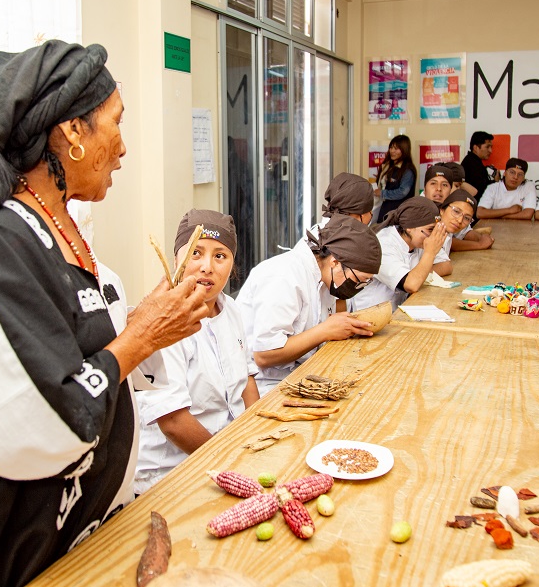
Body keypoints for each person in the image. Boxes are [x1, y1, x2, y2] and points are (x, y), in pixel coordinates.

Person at [0, 41, 209, 587]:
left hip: (81, 536)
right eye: (116, 123)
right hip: (7, 556)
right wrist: (139, 337)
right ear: (73, 132)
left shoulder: (59, 226)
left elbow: (73, 343)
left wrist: (151, 320)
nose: (122, 149)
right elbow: (39, 415)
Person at [134, 210, 259, 494]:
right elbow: (173, 421)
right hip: (172, 474)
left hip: (230, 459)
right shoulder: (164, 323)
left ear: (232, 265)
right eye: (196, 253)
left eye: (220, 256)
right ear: (176, 259)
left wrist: (256, 437)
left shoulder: (232, 311)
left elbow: (247, 381)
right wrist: (229, 461)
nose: (207, 267)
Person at [236, 214, 382, 396]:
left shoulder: (326, 277)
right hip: (264, 386)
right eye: (358, 280)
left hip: (300, 374)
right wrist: (325, 331)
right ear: (335, 261)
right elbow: (265, 355)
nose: (358, 287)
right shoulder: (283, 277)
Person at [352, 197, 448, 309]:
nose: (433, 237)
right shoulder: (382, 245)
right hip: (370, 316)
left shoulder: (418, 240)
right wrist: (429, 255)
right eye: (430, 230)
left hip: (396, 311)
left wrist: (420, 273)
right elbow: (411, 285)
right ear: (409, 227)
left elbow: (446, 265)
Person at [432, 189, 484, 277]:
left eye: (467, 218)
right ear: (442, 210)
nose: (460, 220)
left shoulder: (448, 230)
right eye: (456, 211)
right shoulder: (431, 230)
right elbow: (445, 266)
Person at [374, 134, 418, 223]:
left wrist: (382, 193)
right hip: (385, 211)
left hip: (398, 214)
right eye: (391, 148)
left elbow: (402, 192)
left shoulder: (407, 170)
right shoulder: (388, 166)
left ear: (404, 150)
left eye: (396, 148)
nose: (392, 151)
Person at [461, 131, 496, 200]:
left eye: (491, 147)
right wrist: (495, 182)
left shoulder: (473, 162)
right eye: (487, 147)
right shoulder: (472, 164)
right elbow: (481, 191)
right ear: (475, 148)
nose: (490, 150)